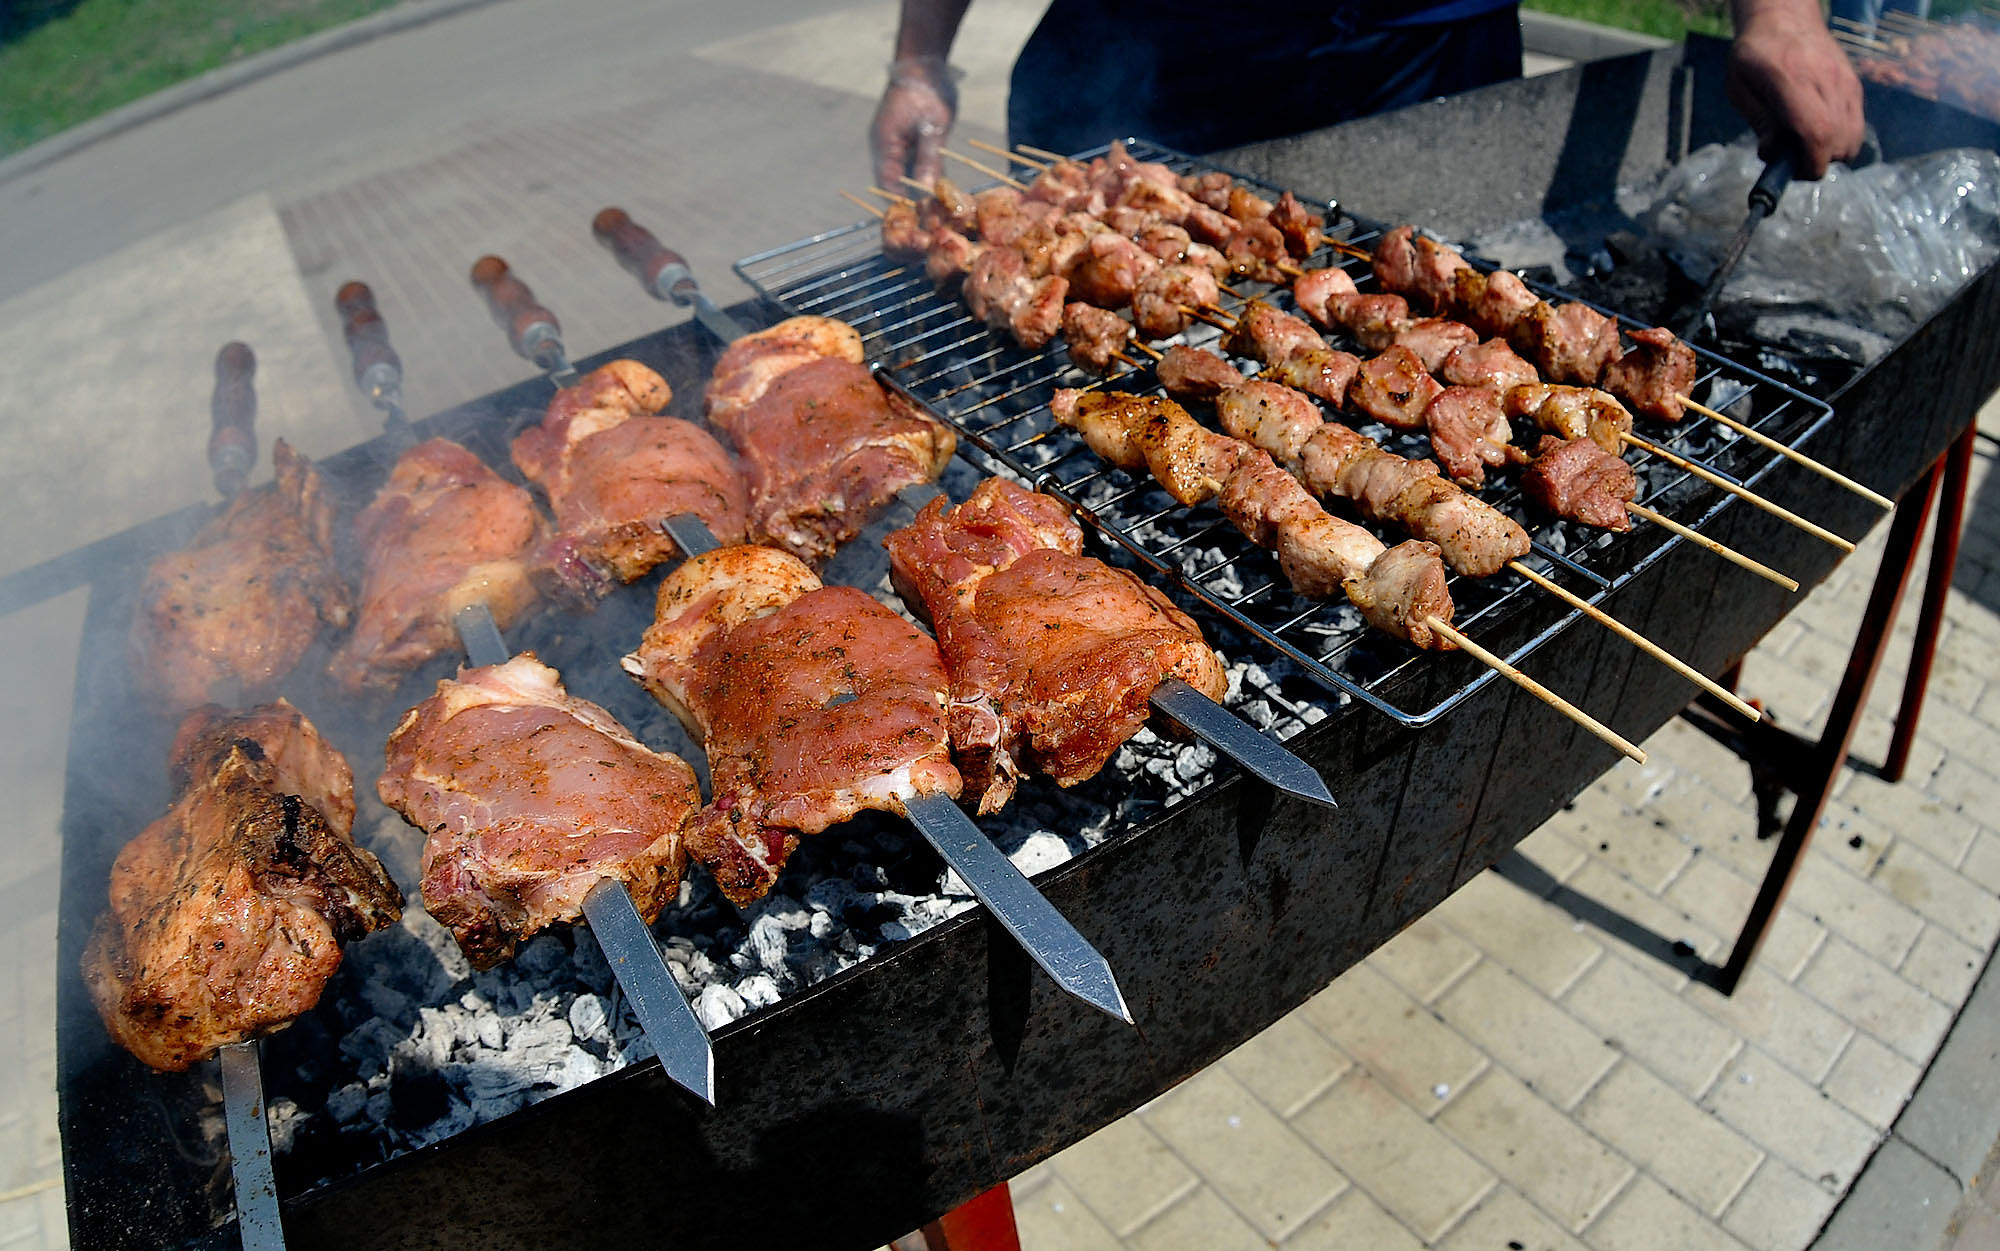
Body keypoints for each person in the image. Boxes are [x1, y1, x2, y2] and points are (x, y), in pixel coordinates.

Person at [871, 0, 1865, 187]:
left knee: (1379, 326)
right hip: (1141, 48)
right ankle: (1105, 451)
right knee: (1099, 394)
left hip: (1416, 62)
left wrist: (1779, 12)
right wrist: (920, 56)